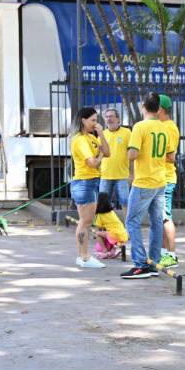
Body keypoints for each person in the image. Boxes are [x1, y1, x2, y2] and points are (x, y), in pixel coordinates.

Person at [121, 92, 175, 280]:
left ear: (143, 106)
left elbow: (132, 155)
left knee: (131, 222)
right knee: (156, 223)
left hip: (144, 181)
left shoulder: (140, 127)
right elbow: (171, 156)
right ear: (158, 107)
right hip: (160, 180)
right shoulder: (164, 127)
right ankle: (154, 262)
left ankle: (140, 264)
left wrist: (130, 149)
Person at [69, 106, 110, 269]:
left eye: (96, 120)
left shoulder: (91, 137)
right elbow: (92, 162)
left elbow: (107, 152)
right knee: (85, 222)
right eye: (93, 120)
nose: (96, 123)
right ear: (83, 120)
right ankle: (84, 257)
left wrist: (101, 134)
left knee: (86, 221)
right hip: (84, 183)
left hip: (91, 181)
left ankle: (83, 256)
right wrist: (99, 154)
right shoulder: (79, 139)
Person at [157, 94, 180, 268]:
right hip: (159, 178)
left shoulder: (169, 128)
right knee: (161, 217)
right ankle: (164, 253)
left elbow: (171, 157)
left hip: (166, 177)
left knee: (166, 217)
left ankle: (171, 255)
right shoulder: (161, 126)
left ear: (161, 110)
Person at [99, 108, 131, 222]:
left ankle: (128, 228)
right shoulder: (102, 134)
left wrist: (132, 174)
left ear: (118, 119)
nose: (109, 119)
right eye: (107, 117)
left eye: (112, 116)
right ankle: (102, 228)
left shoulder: (127, 133)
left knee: (125, 202)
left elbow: (132, 154)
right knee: (102, 204)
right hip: (105, 175)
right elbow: (99, 153)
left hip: (122, 175)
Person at [93, 192, 128, 260]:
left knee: (97, 234)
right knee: (108, 233)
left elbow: (98, 229)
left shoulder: (100, 215)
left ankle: (105, 251)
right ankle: (112, 251)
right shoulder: (112, 212)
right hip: (123, 235)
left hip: (115, 235)